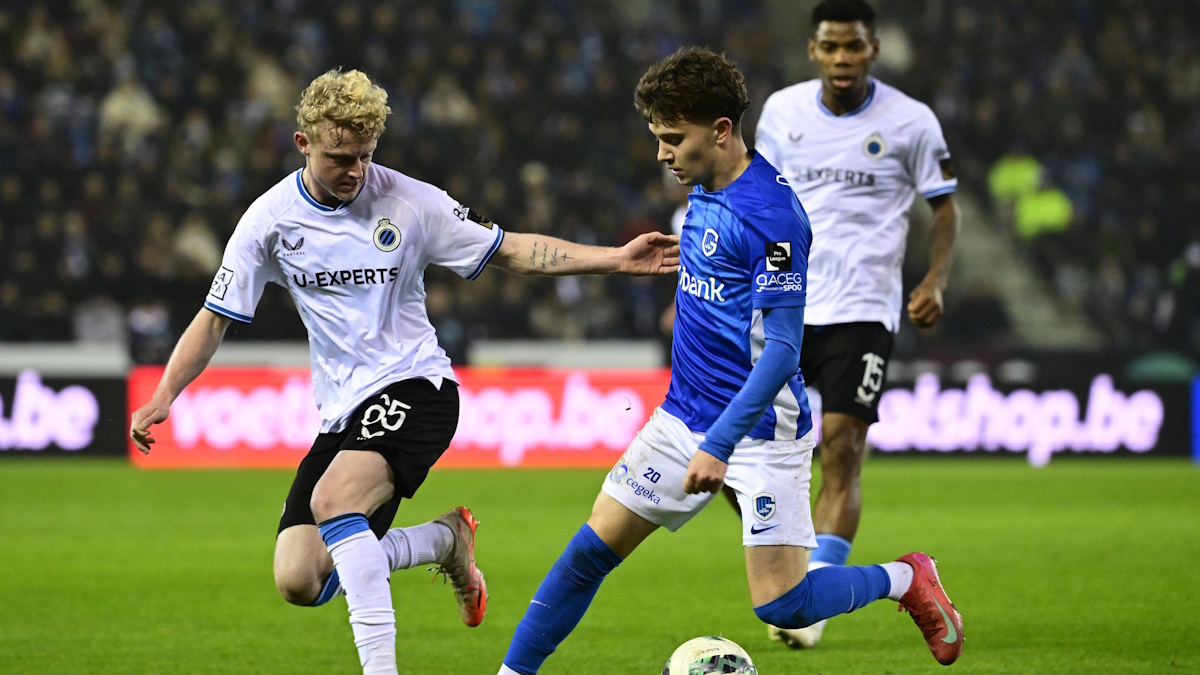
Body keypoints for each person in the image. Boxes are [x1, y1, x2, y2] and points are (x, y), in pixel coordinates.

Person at [128, 68, 680, 675]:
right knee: (300, 577)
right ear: (302, 144)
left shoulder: (410, 202)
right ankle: (444, 540)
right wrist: (165, 393)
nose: (356, 171)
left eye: (366, 156)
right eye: (341, 158)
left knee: (334, 500)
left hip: (418, 387)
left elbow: (511, 249)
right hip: (343, 411)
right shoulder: (269, 220)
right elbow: (214, 318)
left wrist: (615, 259)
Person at [495, 47, 963, 675]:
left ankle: (905, 578)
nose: (661, 154)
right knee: (588, 554)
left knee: (784, 605)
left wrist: (719, 443)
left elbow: (783, 352)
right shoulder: (702, 190)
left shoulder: (773, 218)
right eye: (657, 138)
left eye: (672, 139)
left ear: (720, 131)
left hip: (760, 429)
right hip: (680, 417)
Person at [752, 0, 963, 649]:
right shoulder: (782, 112)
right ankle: (795, 564)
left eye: (853, 46)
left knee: (841, 448)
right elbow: (754, 199)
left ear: (873, 48)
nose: (842, 58)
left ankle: (813, 597)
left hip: (863, 310)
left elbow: (944, 208)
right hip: (783, 303)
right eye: (831, 46)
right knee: (738, 456)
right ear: (813, 50)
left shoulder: (911, 121)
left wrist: (934, 280)